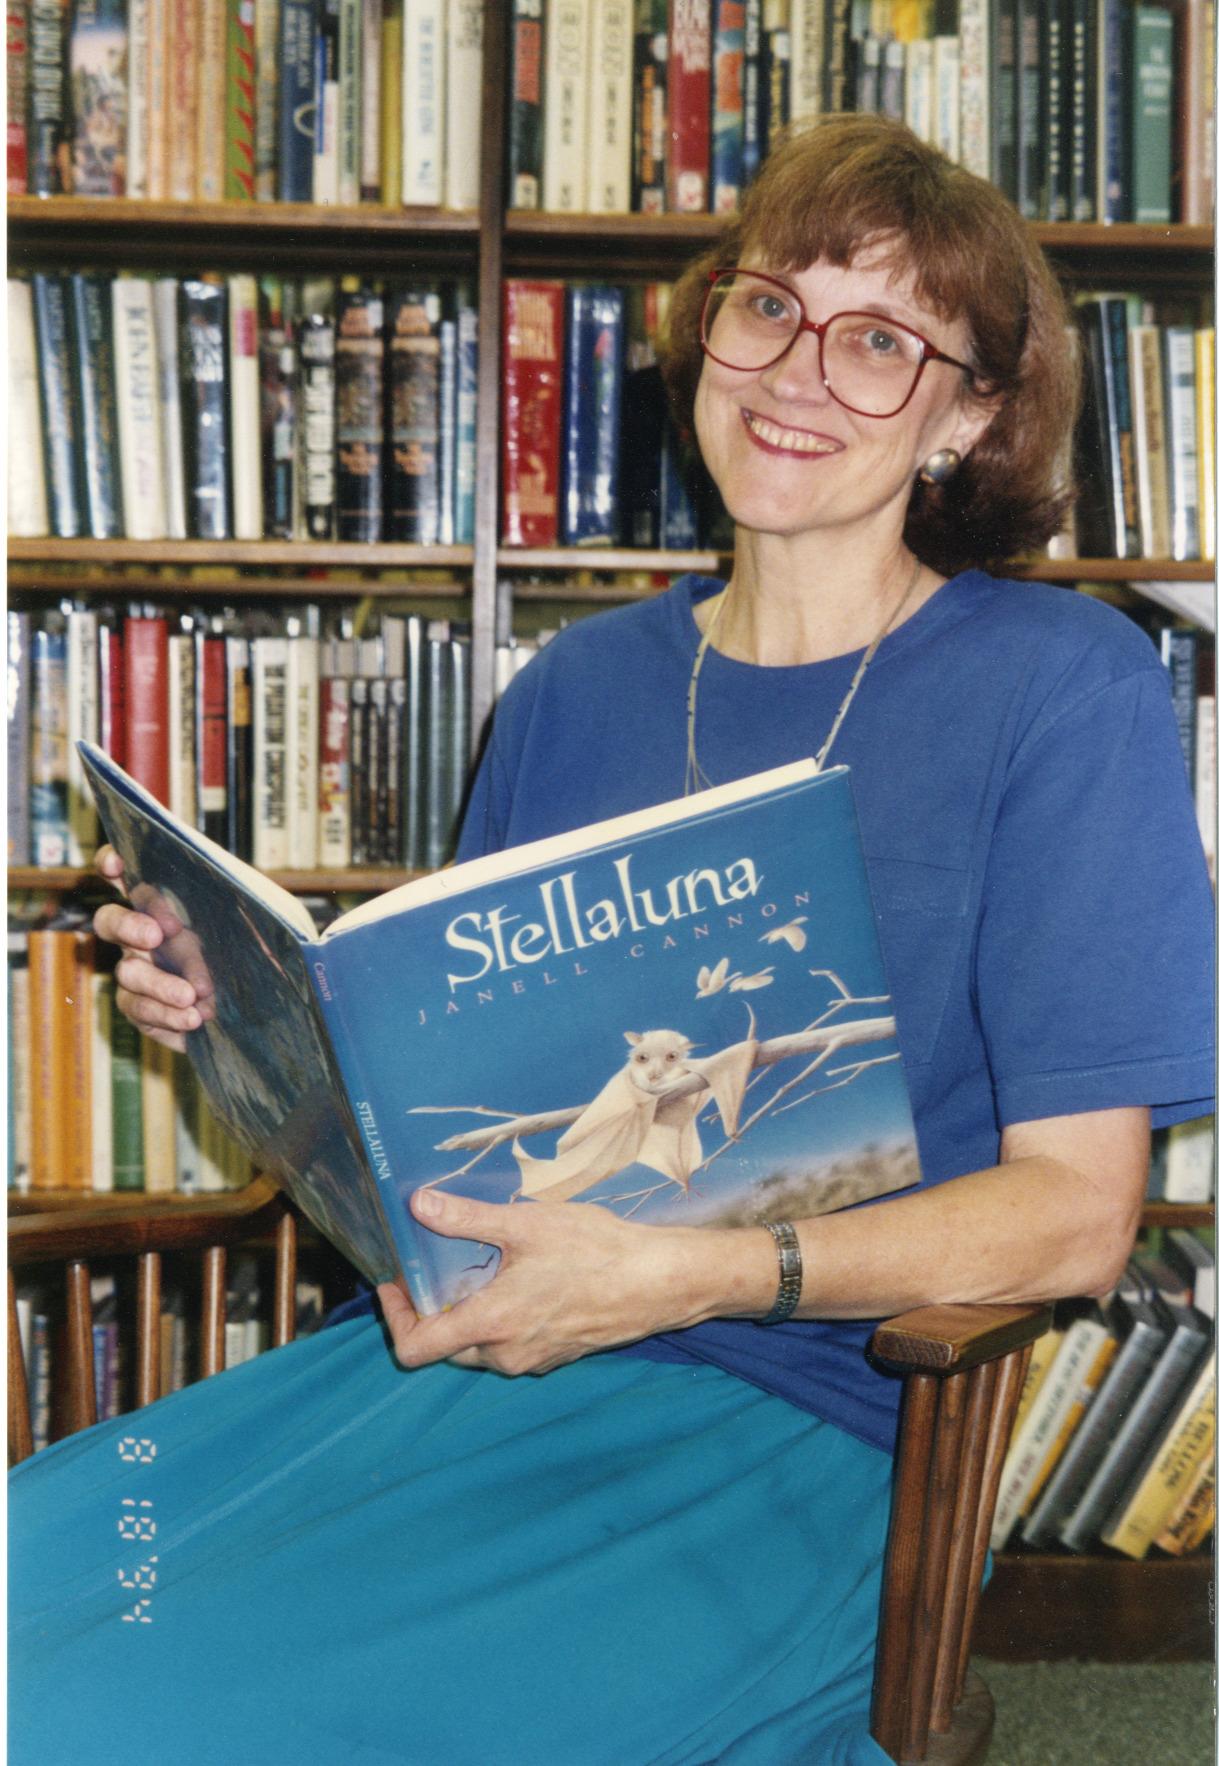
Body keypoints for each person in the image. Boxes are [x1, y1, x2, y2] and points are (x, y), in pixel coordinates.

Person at [10, 114, 1213, 1765]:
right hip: (460, 1370)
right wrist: (251, 1027)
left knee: (130, 1714)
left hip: (798, 1431)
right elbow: (446, 1131)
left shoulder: (1062, 692)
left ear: (970, 414)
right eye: (767, 306)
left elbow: (1079, 1219)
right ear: (707, 331)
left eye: (879, 342)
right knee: (41, 1605)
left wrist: (690, 1276)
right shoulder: (571, 692)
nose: (797, 371)